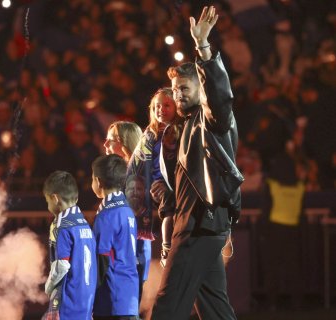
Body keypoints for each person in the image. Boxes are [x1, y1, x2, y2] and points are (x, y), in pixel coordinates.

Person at [151, 6, 242, 320]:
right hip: (204, 226)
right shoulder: (189, 124)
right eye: (175, 90)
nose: (177, 95)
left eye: (184, 89)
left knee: (167, 305)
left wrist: (203, 48)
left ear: (201, 89)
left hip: (197, 227)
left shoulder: (212, 119)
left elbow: (221, 96)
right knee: (215, 309)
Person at [127, 88, 182, 268]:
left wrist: (170, 184)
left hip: (177, 184)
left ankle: (167, 248)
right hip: (155, 184)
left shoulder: (181, 130)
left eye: (167, 105)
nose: (161, 110)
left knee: (170, 203)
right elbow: (135, 168)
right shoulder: (149, 135)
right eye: (157, 106)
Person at [103, 121, 150, 305]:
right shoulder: (123, 176)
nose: (105, 145)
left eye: (110, 140)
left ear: (124, 144)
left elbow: (130, 223)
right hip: (124, 258)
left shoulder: (134, 179)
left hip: (129, 259)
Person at [42, 171, 97, 320]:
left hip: (68, 300)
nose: (48, 206)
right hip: (87, 299)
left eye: (47, 201)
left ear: (55, 198)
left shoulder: (61, 225)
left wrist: (48, 286)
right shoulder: (85, 224)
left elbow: (62, 265)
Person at [91, 154, 139, 320]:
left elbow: (101, 259)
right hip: (129, 296)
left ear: (98, 181)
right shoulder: (127, 209)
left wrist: (89, 294)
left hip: (110, 300)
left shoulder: (106, 215)